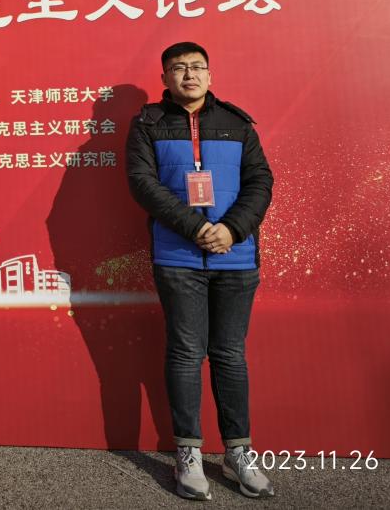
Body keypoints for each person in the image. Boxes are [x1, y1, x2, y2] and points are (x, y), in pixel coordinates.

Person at [125, 41, 275, 500]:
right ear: (165, 78)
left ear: (210, 75)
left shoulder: (236, 123)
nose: (189, 75)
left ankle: (238, 451)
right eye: (179, 68)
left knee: (229, 354)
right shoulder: (148, 124)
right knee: (186, 353)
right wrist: (196, 228)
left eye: (197, 67)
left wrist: (231, 229)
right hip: (178, 257)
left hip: (236, 256)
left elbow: (260, 181)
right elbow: (142, 183)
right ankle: (188, 453)